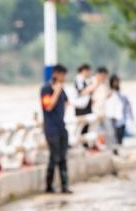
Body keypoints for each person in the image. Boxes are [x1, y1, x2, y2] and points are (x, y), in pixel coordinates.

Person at [40, 64, 71, 194]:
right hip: (51, 129)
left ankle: (65, 186)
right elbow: (48, 106)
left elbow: (67, 103)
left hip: (61, 127)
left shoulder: (62, 90)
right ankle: (49, 186)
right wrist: (56, 92)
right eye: (62, 75)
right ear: (56, 74)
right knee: (54, 157)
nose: (64, 78)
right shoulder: (46, 89)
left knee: (63, 158)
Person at [105, 74, 133, 155]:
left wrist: (131, 116)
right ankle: (113, 151)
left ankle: (117, 150)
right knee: (112, 135)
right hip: (111, 116)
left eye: (118, 81)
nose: (117, 83)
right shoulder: (109, 92)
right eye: (115, 81)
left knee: (119, 135)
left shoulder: (121, 93)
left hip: (121, 118)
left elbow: (127, 105)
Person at [73, 63, 95, 145]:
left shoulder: (85, 79)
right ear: (84, 71)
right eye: (88, 71)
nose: (89, 73)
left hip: (86, 105)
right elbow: (81, 92)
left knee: (86, 126)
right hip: (81, 107)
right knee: (81, 126)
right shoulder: (79, 79)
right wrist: (92, 86)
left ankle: (85, 144)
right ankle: (81, 144)